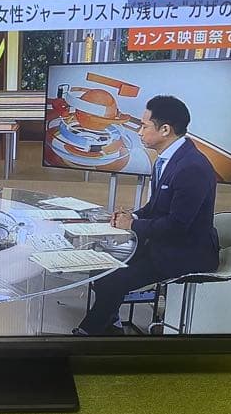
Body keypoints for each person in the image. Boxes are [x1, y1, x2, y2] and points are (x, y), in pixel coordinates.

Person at [73, 95, 219, 336]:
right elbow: (156, 207)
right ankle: (111, 325)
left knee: (113, 279)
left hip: (185, 252)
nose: (139, 132)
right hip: (162, 242)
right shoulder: (168, 159)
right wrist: (132, 216)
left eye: (144, 126)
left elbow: (176, 226)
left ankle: (87, 333)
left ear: (165, 130)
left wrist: (132, 225)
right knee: (101, 266)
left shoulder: (192, 168)